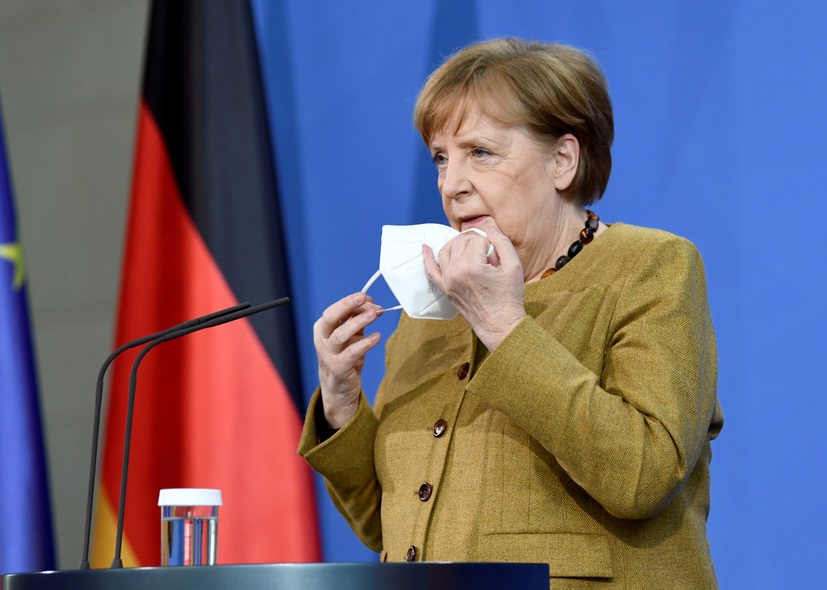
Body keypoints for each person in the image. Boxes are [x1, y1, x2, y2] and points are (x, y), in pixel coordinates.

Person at [298, 37, 723, 589]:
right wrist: (341, 401)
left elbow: (641, 476)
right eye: (441, 159)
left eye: (481, 152)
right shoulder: (431, 308)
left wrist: (503, 326)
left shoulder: (651, 267)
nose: (451, 185)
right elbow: (391, 528)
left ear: (562, 160)